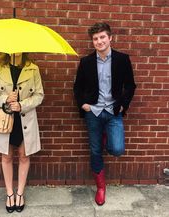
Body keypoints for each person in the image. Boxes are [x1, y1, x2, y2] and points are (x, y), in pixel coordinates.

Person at [73, 22, 136, 206]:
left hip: (114, 111)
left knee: (117, 149)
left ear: (110, 38)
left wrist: (124, 105)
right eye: (95, 38)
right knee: (95, 150)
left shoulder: (122, 59)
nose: (99, 41)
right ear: (92, 41)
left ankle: (105, 137)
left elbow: (130, 85)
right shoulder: (86, 62)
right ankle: (101, 188)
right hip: (93, 112)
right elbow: (77, 87)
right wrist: (83, 104)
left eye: (102, 37)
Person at [0, 52, 44, 213]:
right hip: (5, 120)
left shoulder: (33, 69)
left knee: (24, 156)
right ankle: (9, 194)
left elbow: (39, 95)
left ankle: (20, 193)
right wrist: (5, 99)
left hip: (25, 120)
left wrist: (22, 104)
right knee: (6, 156)